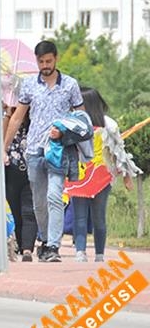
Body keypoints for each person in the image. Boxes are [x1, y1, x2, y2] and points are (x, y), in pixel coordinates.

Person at [4, 40, 84, 262]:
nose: (45, 65)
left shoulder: (70, 85)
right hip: (34, 151)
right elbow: (18, 117)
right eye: (41, 62)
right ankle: (46, 238)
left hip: (60, 149)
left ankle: (52, 246)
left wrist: (66, 132)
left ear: (56, 58)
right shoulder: (29, 85)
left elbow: (81, 118)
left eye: (49, 61)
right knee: (39, 202)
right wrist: (4, 147)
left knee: (54, 196)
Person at [69, 88, 139, 263]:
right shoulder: (72, 123)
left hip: (102, 176)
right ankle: (80, 252)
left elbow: (118, 152)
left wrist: (126, 176)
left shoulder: (109, 125)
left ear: (89, 104)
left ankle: (99, 254)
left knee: (99, 216)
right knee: (79, 216)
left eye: (79, 104)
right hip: (79, 175)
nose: (75, 107)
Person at [4, 106, 38, 262]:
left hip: (32, 172)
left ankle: (27, 249)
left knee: (29, 211)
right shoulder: (6, 121)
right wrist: (7, 115)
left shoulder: (36, 122)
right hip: (11, 172)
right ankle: (20, 243)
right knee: (15, 212)